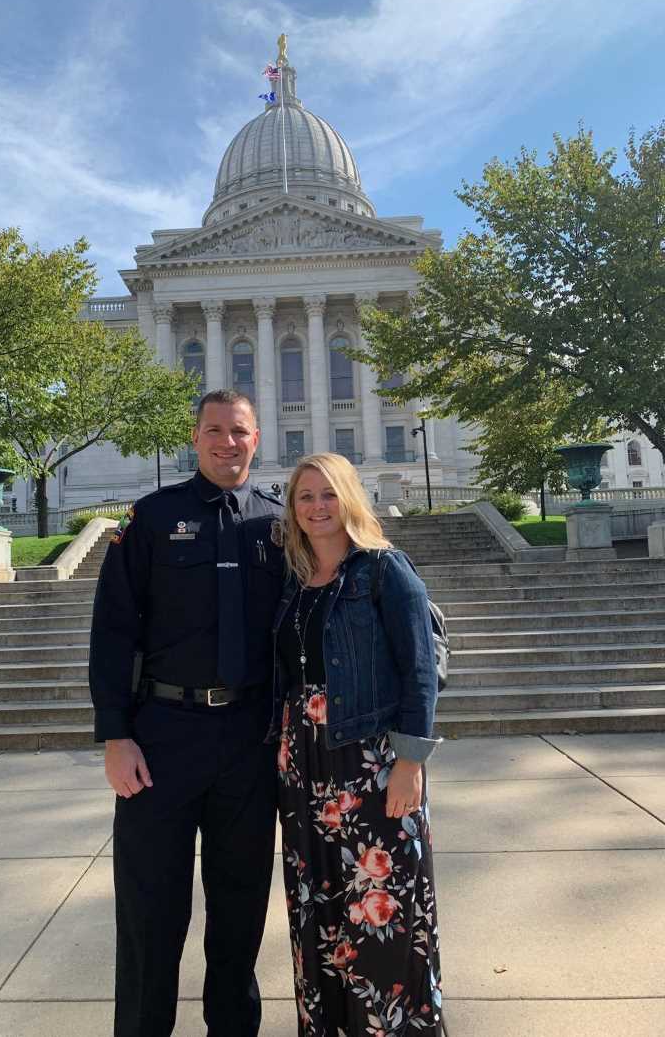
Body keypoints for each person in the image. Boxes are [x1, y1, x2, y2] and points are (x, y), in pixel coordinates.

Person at [89, 389, 285, 1037]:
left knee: (239, 913)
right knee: (150, 914)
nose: (227, 442)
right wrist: (116, 735)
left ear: (257, 438)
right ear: (195, 438)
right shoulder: (149, 518)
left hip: (250, 740)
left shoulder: (281, 525)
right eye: (214, 431)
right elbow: (113, 631)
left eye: (239, 431)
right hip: (163, 737)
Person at [269, 452, 443, 1035]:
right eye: (304, 497)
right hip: (305, 762)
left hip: (371, 758)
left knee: (382, 904)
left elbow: (419, 668)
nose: (317, 507)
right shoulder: (294, 579)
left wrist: (410, 761)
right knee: (318, 904)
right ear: (293, 509)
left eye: (327, 494)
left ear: (349, 497)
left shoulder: (384, 569)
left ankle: (391, 1026)